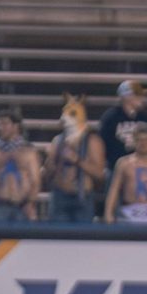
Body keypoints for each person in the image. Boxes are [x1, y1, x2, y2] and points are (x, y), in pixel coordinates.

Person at [43, 95, 105, 223]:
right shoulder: (57, 141)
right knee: (57, 240)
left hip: (83, 198)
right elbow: (48, 174)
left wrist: (77, 160)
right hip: (59, 196)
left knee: (82, 241)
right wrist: (50, 161)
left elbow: (99, 174)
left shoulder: (93, 141)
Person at [0, 108, 40, 222]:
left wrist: (31, 204)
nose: (0, 128)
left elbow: (35, 180)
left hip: (22, 205)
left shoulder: (29, 150)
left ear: (16, 126)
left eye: (4, 124)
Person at [98, 80, 147, 172]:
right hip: (115, 169)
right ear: (127, 97)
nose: (142, 98)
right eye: (138, 95)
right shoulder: (110, 117)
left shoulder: (146, 117)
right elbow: (103, 144)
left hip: (141, 169)